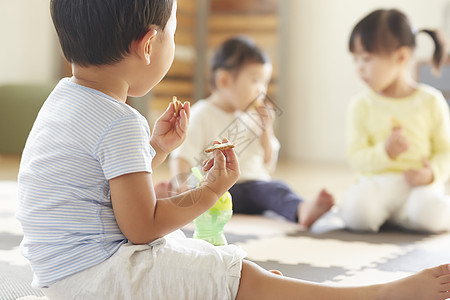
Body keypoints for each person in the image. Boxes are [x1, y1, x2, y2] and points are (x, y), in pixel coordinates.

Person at [15, 1, 450, 299]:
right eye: (173, 31)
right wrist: (209, 191)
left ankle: (258, 287)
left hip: (62, 275)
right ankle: (378, 293)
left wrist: (155, 148)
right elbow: (142, 228)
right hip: (98, 280)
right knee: (231, 271)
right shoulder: (120, 120)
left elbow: (99, 188)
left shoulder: (64, 100)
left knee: (205, 255)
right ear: (148, 45)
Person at [170, 36, 334, 228]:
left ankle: (302, 210)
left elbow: (268, 162)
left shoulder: (253, 117)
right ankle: (172, 200)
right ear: (224, 81)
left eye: (264, 83)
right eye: (255, 81)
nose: (261, 91)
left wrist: (266, 130)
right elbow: (182, 156)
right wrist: (181, 187)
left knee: (277, 189)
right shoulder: (202, 114)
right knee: (197, 194)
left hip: (255, 187)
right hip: (216, 188)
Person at [342, 8, 450, 233]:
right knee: (356, 212)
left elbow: (445, 151)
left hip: (418, 187)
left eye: (367, 58)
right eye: (356, 59)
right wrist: (385, 153)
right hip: (376, 183)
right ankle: (395, 216)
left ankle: (400, 216)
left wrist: (431, 174)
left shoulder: (431, 100)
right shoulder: (361, 105)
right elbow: (356, 158)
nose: (359, 67)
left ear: (400, 57)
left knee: (432, 214)